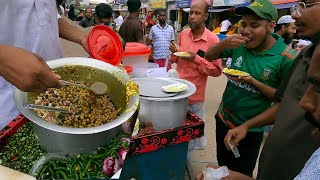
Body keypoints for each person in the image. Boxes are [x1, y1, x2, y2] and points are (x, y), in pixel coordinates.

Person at [203, 0, 320, 179]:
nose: (246, 30)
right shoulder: (238, 44)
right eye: (243, 24)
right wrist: (223, 44)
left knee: (242, 171)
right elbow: (209, 56)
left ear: (271, 26)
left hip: (251, 131)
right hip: (224, 119)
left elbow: (281, 100)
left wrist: (251, 81)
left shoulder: (286, 58)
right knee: (222, 168)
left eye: (255, 25)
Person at [0, 1, 89, 130]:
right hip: (8, 102)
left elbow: (46, 13)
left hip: (56, 91)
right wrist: (3, 58)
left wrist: (82, 37)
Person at [169, 0, 222, 160]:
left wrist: (196, 59)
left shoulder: (213, 40)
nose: (192, 17)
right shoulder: (184, 34)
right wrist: (174, 52)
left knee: (191, 138)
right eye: (191, 13)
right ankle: (176, 160)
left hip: (195, 98)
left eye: (197, 13)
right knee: (175, 132)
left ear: (206, 16)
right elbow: (177, 60)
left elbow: (217, 71)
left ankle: (184, 165)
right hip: (177, 94)